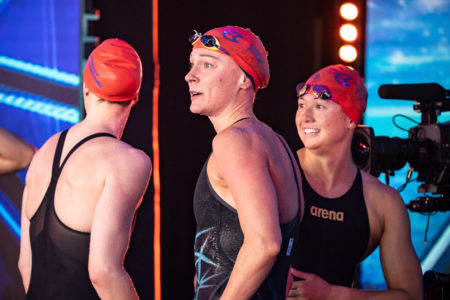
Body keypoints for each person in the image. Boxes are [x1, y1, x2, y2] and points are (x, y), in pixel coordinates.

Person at [18, 39, 152, 299]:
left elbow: (26, 265)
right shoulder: (128, 161)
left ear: (87, 89)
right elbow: (103, 271)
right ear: (135, 96)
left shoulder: (45, 151)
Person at [185, 25, 304, 300]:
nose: (190, 76)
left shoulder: (234, 141)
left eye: (207, 65)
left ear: (243, 79)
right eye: (192, 65)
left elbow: (265, 244)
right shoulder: (277, 144)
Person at [287, 64, 423, 299]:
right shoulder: (278, 171)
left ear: (350, 120)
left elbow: (410, 295)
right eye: (301, 106)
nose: (305, 117)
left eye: (319, 106)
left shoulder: (382, 203)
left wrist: (333, 295)